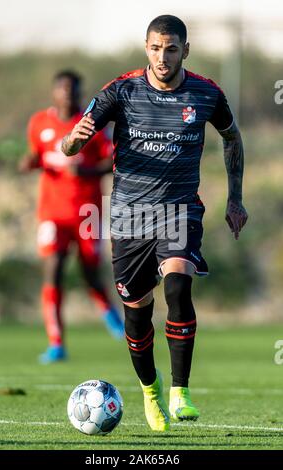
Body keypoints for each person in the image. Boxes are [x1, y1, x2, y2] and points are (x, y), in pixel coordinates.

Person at [61, 16, 248, 431]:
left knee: (179, 285)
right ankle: (151, 391)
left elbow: (232, 137)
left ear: (186, 49)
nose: (162, 58)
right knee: (137, 315)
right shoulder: (122, 90)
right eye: (155, 48)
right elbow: (69, 145)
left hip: (179, 210)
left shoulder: (205, 93)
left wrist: (235, 198)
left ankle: (181, 391)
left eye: (171, 49)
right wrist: (74, 139)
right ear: (146, 47)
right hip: (129, 217)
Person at [19, 70, 124, 364]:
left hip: (87, 213)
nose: (67, 93)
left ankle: (111, 315)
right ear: (54, 92)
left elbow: (112, 162)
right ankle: (56, 342)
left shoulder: (91, 124)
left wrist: (87, 171)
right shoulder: (40, 122)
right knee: (53, 270)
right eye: (62, 88)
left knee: (90, 272)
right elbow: (36, 155)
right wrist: (29, 162)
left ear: (79, 93)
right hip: (52, 214)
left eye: (72, 89)